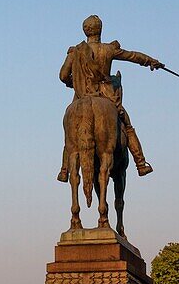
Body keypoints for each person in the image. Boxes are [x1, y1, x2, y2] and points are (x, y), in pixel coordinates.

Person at [58, 15, 163, 180]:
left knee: (70, 132)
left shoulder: (75, 52)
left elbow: (63, 75)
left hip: (81, 96)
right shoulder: (108, 49)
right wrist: (150, 61)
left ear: (85, 31)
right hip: (106, 96)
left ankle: (64, 170)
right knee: (127, 126)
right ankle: (141, 163)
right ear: (100, 30)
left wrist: (74, 83)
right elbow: (133, 56)